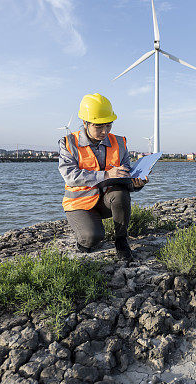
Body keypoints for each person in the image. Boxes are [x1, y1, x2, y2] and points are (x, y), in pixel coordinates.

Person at [58, 93, 147, 261]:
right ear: (85, 123)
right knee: (92, 238)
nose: (105, 131)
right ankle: (85, 237)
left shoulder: (119, 143)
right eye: (99, 126)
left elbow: (125, 178)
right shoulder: (68, 143)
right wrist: (106, 174)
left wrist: (136, 183)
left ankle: (121, 241)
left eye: (109, 125)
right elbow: (70, 176)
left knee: (120, 194)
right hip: (79, 203)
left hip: (107, 201)